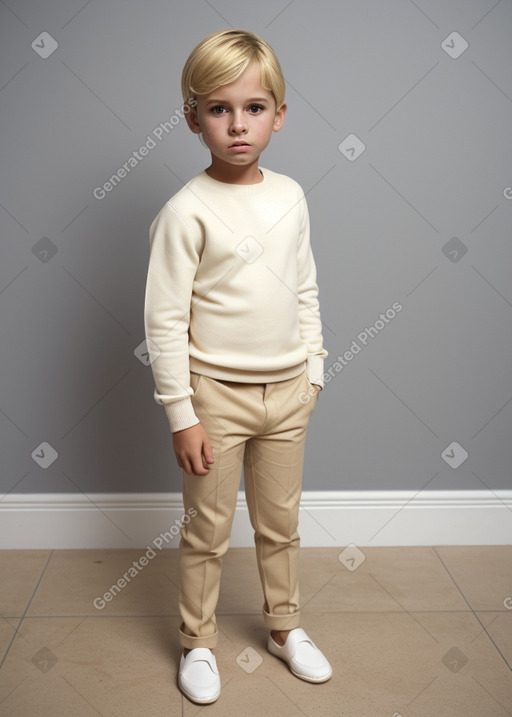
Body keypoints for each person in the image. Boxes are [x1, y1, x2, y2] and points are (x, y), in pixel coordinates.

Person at [144, 28, 332, 705]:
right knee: (207, 530)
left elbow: (304, 286)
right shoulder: (186, 211)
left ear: (279, 114)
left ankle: (285, 628)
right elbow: (163, 320)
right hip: (214, 397)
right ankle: (198, 640)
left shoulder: (290, 196)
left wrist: (314, 369)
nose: (238, 124)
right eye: (219, 109)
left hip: (287, 392)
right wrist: (182, 412)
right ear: (193, 118)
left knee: (281, 522)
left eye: (254, 107)